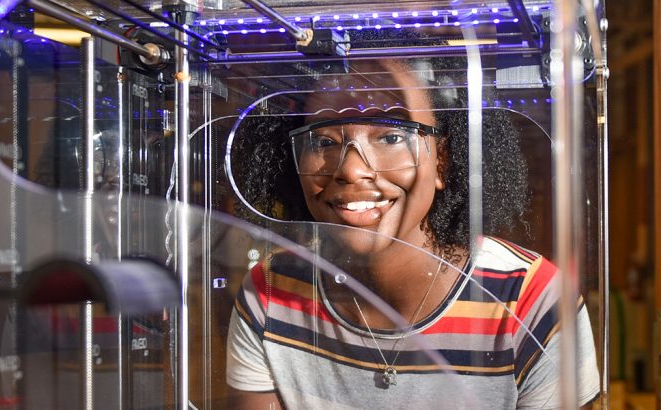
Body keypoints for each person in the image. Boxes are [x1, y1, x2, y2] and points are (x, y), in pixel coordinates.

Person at [226, 32, 600, 409]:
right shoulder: (270, 293)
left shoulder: (531, 303)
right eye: (323, 141)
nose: (353, 171)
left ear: (443, 160)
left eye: (391, 136)